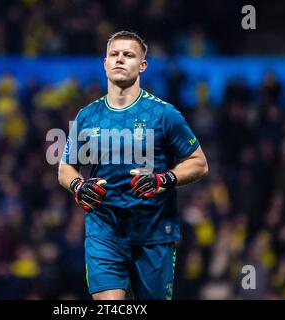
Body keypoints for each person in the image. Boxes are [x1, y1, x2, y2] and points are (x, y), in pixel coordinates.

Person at [58, 31, 208, 300]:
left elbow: (199, 163)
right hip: (104, 232)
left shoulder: (165, 114)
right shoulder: (87, 116)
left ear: (142, 65)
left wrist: (164, 180)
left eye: (128, 55)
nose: (120, 60)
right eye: (114, 54)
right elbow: (65, 168)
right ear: (104, 63)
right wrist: (78, 185)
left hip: (153, 234)